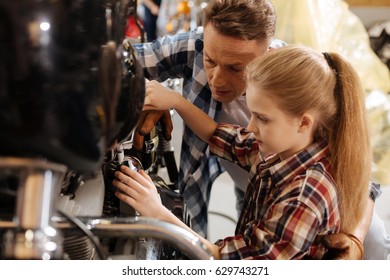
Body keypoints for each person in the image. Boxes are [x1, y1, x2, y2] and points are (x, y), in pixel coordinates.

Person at [131, 0, 383, 259]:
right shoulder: (277, 151)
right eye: (209, 60)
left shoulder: (305, 194)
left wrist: (158, 214)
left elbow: (234, 263)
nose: (215, 80)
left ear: (267, 54)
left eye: (235, 68)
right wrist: (164, 97)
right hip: (262, 199)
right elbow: (219, 134)